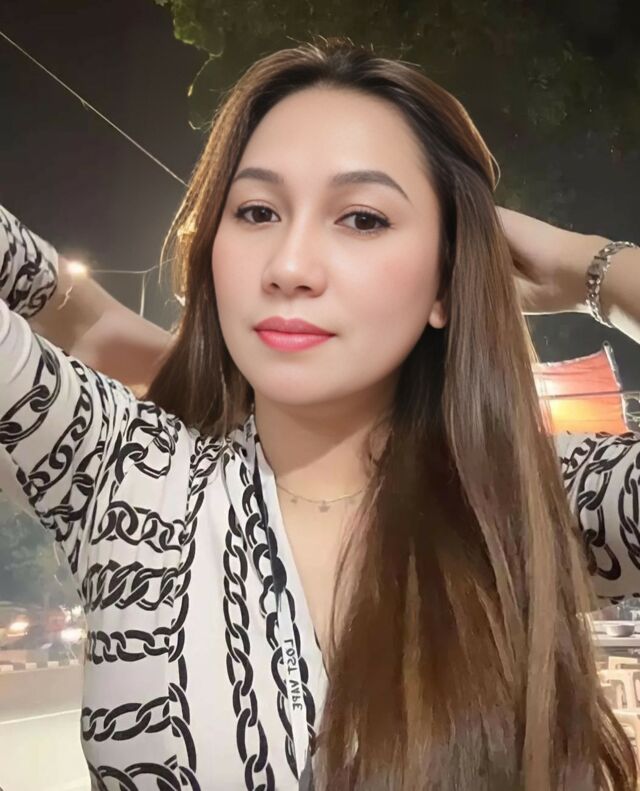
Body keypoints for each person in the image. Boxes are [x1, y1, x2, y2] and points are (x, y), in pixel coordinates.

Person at [1, 36, 640, 791]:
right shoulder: (123, 472)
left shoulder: (535, 497)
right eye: (256, 210)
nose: (289, 267)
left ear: (445, 281)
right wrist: (75, 302)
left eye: (362, 219)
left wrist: (589, 267)